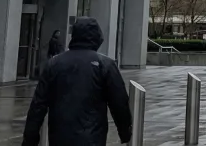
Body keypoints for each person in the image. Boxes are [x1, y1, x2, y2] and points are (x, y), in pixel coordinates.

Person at [22, 17, 132, 146]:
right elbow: (119, 103)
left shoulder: (54, 63)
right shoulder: (105, 64)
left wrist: (30, 138)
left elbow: (38, 105)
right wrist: (125, 132)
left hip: (59, 137)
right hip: (92, 137)